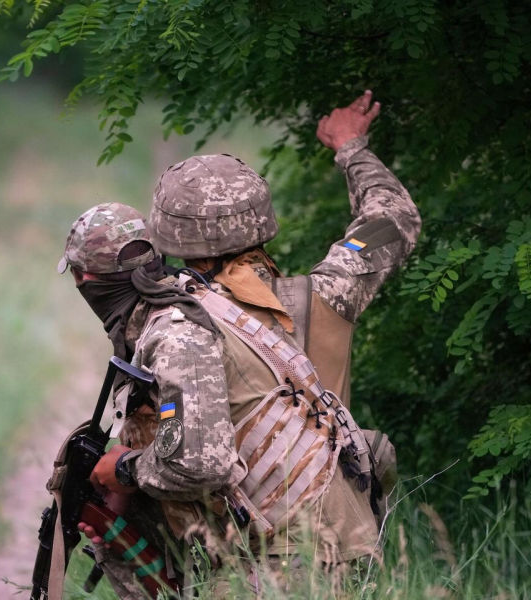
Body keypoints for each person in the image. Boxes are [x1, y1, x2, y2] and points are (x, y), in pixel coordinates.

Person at [59, 91, 419, 597]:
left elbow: (190, 458)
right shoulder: (325, 296)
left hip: (262, 557)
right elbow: (392, 222)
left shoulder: (177, 323)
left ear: (168, 236)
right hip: (346, 535)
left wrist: (122, 470)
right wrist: (351, 147)